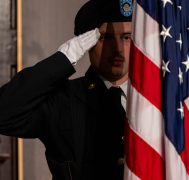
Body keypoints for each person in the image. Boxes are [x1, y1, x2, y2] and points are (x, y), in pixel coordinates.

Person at [0, 0, 133, 179]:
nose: (118, 50)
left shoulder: (160, 99)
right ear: (86, 42)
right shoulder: (63, 98)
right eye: (105, 38)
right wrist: (66, 56)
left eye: (127, 38)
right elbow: (4, 114)